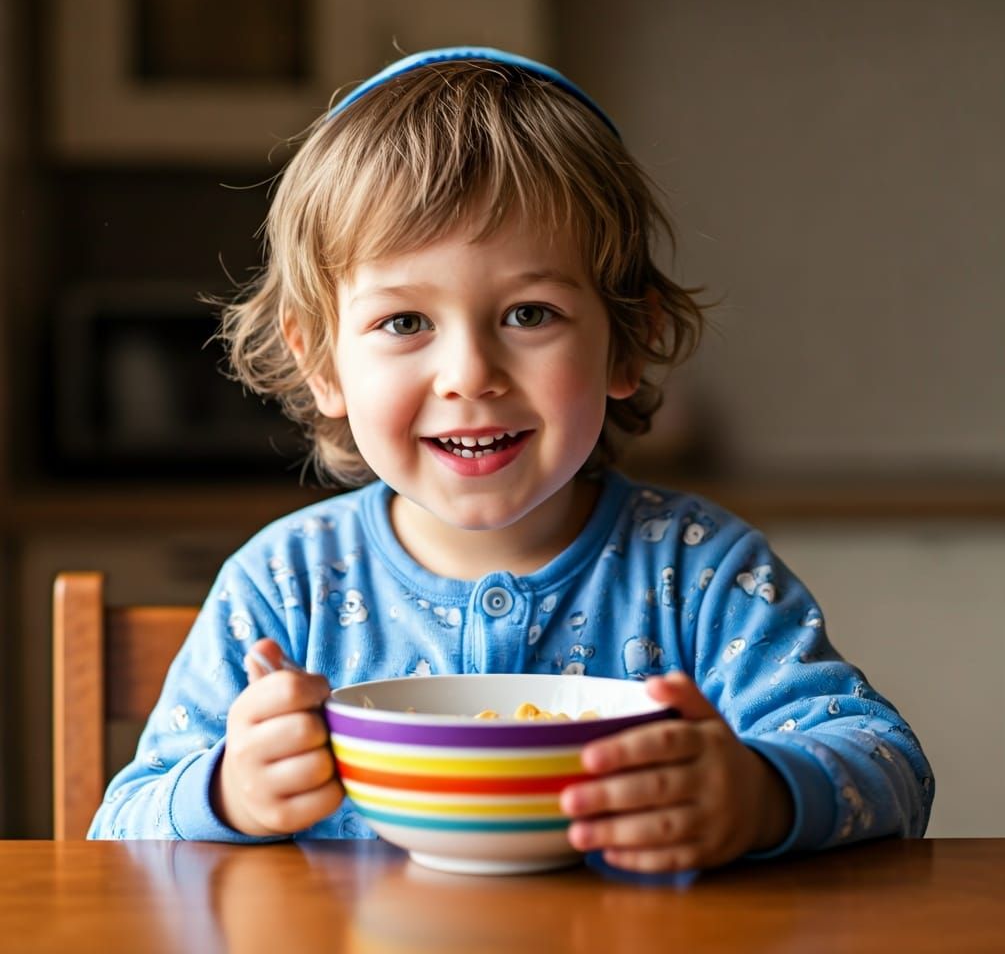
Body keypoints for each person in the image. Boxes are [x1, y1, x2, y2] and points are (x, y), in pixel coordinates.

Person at [89, 47, 933, 871]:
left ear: (626, 343)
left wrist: (755, 796)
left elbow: (890, 767)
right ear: (322, 361)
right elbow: (118, 828)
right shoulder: (284, 586)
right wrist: (228, 793)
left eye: (529, 314)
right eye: (404, 322)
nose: (469, 377)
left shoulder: (701, 577)